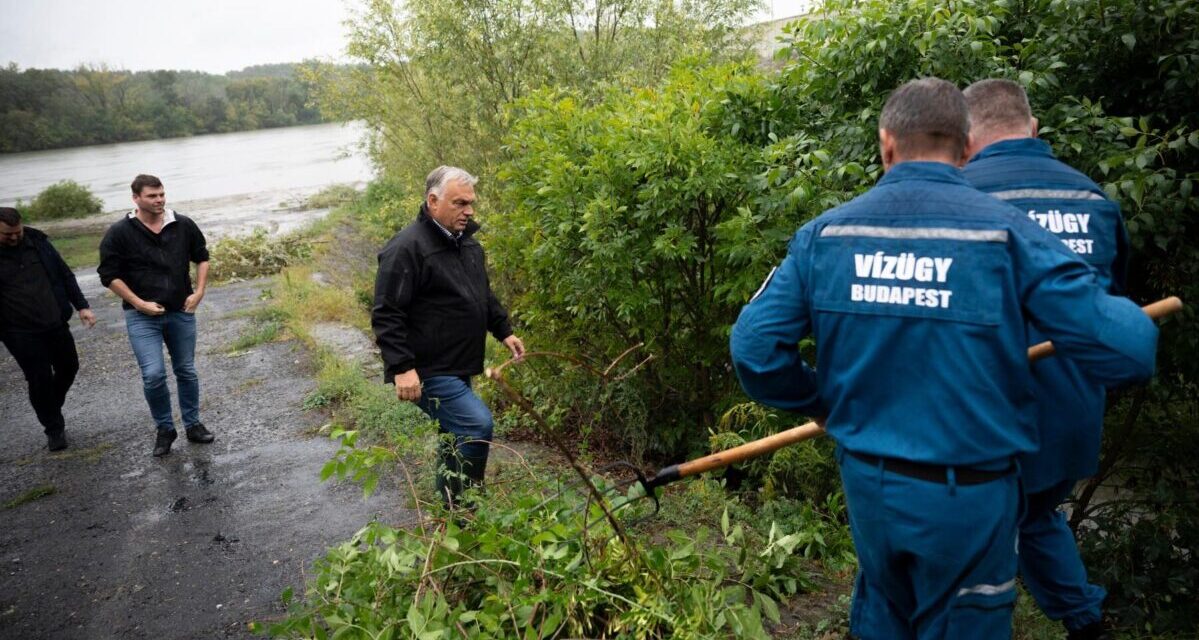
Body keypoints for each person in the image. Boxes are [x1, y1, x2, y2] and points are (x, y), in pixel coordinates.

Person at [729, 78, 1158, 639]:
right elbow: (1127, 348)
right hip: (969, 501)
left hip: (869, 490)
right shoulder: (1008, 234)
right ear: (964, 148)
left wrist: (823, 403)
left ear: (886, 143)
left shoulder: (827, 234)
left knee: (884, 612)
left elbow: (754, 349)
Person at [961, 78, 1126, 640]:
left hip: (984, 414)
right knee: (1035, 515)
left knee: (970, 538)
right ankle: (1087, 625)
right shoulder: (1093, 199)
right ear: (1033, 129)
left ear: (964, 139)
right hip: (1072, 412)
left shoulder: (955, 197)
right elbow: (1107, 314)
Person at [372, 166, 525, 508]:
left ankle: (450, 512)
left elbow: (481, 294)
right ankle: (468, 507)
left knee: (453, 436)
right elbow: (386, 312)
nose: (468, 211)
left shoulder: (467, 245)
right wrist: (402, 368)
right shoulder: (406, 248)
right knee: (476, 424)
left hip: (457, 363)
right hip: (428, 368)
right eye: (459, 203)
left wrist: (504, 331)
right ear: (433, 201)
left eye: (471, 203)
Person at [97, 174, 214, 457]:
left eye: (161, 194)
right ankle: (165, 428)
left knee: (186, 370)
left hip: (180, 311)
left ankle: (193, 424)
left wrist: (198, 292)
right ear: (136, 198)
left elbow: (202, 257)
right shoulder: (120, 233)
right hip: (142, 316)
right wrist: (139, 303)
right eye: (152, 196)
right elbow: (108, 276)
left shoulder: (182, 224)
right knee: (153, 375)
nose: (159, 200)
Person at [0, 207, 96, 451]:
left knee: (69, 366)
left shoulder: (38, 242)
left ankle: (50, 406)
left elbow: (64, 274)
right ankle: (54, 428)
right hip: (18, 331)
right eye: (6, 234)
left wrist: (82, 306)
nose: (14, 237)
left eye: (17, 232)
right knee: (39, 377)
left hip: (54, 321)